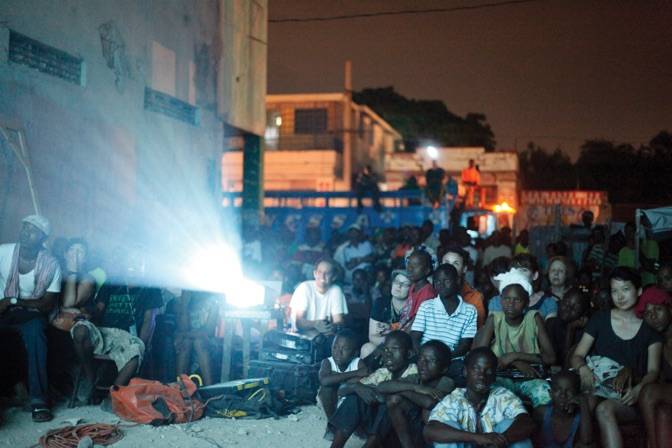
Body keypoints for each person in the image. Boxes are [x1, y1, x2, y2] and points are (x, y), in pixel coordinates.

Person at [570, 267, 662, 448]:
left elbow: (653, 370)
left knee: (605, 409)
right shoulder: (600, 319)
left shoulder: (650, 325)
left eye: (626, 289)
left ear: (639, 290)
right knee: (583, 405)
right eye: (615, 291)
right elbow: (578, 355)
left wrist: (639, 390)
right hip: (597, 388)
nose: (620, 296)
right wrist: (583, 368)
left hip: (629, 398)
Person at [71, 247, 162, 400]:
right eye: (130, 261)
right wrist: (87, 314)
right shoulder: (113, 283)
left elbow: (149, 320)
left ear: (146, 266)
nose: (133, 265)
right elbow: (99, 309)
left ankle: (111, 396)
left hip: (126, 336)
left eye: (139, 262)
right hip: (104, 332)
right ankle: (91, 380)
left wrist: (142, 344)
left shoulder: (151, 289)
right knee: (79, 331)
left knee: (135, 351)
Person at [0, 215, 61, 422]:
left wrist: (13, 301)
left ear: (43, 238)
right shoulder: (4, 252)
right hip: (2, 308)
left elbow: (46, 304)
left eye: (32, 229)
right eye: (24, 227)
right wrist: (4, 303)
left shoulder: (51, 264)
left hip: (30, 313)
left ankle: (39, 402)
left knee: (36, 334)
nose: (26, 232)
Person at [473, 270, 556, 409]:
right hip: (501, 377)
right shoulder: (495, 319)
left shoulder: (533, 318)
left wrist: (514, 356)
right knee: (491, 399)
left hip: (530, 378)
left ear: (526, 303)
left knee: (545, 396)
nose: (510, 304)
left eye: (517, 300)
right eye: (506, 299)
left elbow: (551, 358)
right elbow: (480, 355)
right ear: (501, 301)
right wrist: (517, 363)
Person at [424, 347, 535, 448]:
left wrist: (503, 439)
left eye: (488, 370)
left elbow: (527, 422)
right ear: (465, 372)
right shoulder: (454, 399)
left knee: (511, 427)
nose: (482, 375)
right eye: (476, 369)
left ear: (494, 376)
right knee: (447, 429)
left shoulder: (503, 396)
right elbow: (430, 430)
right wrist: (478, 438)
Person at [329, 330, 417, 448]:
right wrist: (356, 387)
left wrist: (373, 392)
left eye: (394, 349)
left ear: (409, 354)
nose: (388, 354)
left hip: (401, 432)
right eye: (385, 350)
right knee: (356, 395)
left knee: (389, 403)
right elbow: (341, 390)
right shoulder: (383, 372)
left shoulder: (414, 372)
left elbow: (388, 394)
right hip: (377, 429)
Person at [380, 340, 455, 448]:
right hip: (410, 427)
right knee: (392, 399)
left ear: (444, 368)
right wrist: (416, 387)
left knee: (397, 398)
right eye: (421, 359)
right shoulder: (416, 378)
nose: (423, 364)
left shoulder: (446, 382)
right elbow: (382, 386)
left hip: (431, 430)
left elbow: (430, 403)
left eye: (431, 360)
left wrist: (402, 390)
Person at [411, 264, 477, 386]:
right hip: (425, 357)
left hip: (451, 360)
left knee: (462, 374)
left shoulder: (470, 310)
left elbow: (464, 345)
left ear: (457, 281)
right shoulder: (427, 306)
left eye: (446, 280)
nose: (441, 285)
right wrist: (424, 358)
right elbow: (415, 337)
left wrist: (441, 361)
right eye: (437, 281)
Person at [635, 287, 672, 448]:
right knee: (662, 413)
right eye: (648, 313)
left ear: (669, 308)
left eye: (658, 309)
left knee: (649, 392)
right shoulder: (656, 343)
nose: (654, 317)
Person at [534, 370, 594, 448]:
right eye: (557, 390)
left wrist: (583, 402)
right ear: (550, 393)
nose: (563, 395)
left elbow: (587, 441)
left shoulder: (580, 416)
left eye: (569, 391)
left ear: (577, 395)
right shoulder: (541, 412)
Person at [290, 258, 348, 337]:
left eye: (327, 273)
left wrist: (332, 327)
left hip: (324, 337)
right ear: (315, 274)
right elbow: (299, 322)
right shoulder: (304, 288)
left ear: (333, 277)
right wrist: (315, 324)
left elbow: (339, 321)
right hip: (301, 337)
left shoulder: (336, 290)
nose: (322, 276)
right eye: (320, 272)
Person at [318, 330, 368, 421]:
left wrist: (335, 377)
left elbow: (365, 378)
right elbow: (324, 381)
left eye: (344, 349)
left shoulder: (357, 362)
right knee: (327, 389)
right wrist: (355, 373)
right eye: (335, 347)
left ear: (355, 353)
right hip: (331, 400)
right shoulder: (327, 362)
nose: (338, 352)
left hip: (348, 401)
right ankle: (332, 422)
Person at [174, 290, 219, 386]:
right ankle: (181, 388)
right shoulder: (179, 302)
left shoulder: (213, 301)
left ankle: (209, 388)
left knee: (198, 342)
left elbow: (208, 332)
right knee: (186, 342)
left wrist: (185, 335)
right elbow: (183, 328)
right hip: (187, 340)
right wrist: (185, 305)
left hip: (207, 341)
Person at [362, 269, 410, 358]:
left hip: (402, 351)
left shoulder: (413, 307)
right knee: (366, 348)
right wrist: (398, 332)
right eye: (396, 281)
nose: (398, 286)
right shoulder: (381, 303)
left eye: (405, 284)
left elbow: (408, 340)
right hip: (383, 346)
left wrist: (389, 330)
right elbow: (373, 336)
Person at [545, 287, 591, 368]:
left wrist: (571, 329)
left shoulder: (584, 330)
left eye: (575, 308)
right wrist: (570, 329)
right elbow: (555, 362)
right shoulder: (551, 324)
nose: (568, 308)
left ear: (582, 313)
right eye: (566, 303)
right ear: (560, 302)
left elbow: (567, 364)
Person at [441, 246, 485, 328]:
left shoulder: (475, 297)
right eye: (446, 262)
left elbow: (477, 329)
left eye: (456, 263)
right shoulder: (432, 291)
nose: (450, 267)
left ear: (464, 269)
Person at [398, 249, 436, 332]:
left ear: (427, 271)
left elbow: (415, 323)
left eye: (415, 265)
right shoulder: (414, 286)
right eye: (409, 263)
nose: (410, 268)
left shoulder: (427, 293)